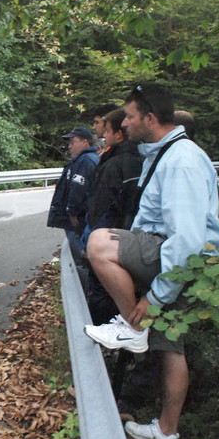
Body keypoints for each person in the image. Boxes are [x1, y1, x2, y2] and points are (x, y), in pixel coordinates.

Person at [84, 83, 219, 439]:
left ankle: (131, 326)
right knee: (170, 349)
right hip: (182, 266)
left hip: (176, 261)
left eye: (130, 116)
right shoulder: (166, 153)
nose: (125, 123)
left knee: (99, 243)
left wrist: (155, 296)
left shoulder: (181, 161)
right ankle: (167, 431)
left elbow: (188, 238)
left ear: (149, 118)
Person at [82, 108, 144, 325]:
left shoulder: (113, 163)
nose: (102, 136)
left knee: (104, 298)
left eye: (107, 131)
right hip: (136, 243)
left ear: (119, 134)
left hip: (113, 242)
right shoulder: (146, 158)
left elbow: (101, 208)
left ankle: (106, 345)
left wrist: (89, 241)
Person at [47, 127, 99, 263]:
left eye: (72, 142)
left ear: (85, 142)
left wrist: (72, 212)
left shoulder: (85, 160)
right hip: (81, 217)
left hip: (78, 219)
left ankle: (84, 276)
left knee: (80, 255)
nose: (69, 146)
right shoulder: (85, 159)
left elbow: (78, 189)